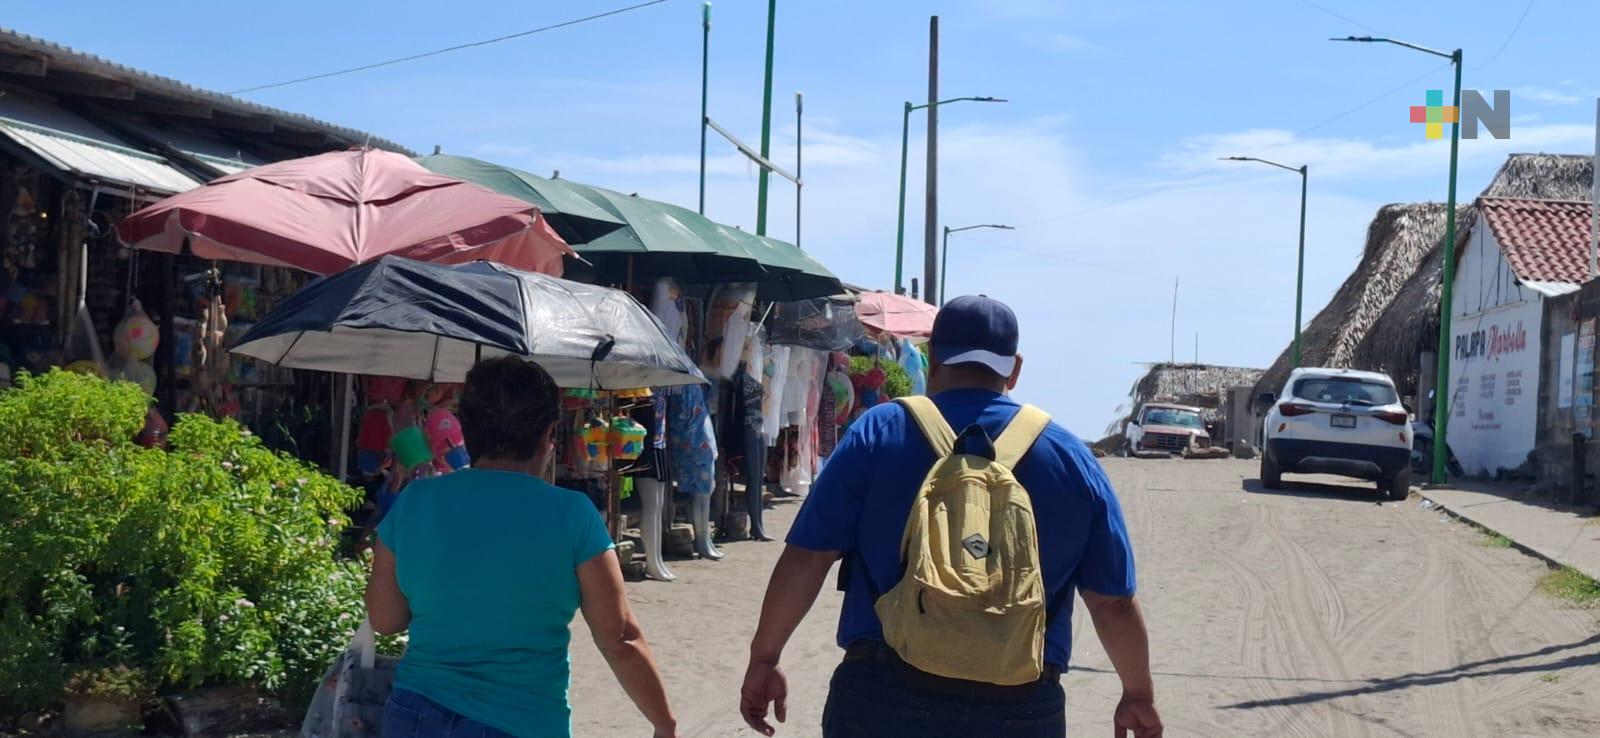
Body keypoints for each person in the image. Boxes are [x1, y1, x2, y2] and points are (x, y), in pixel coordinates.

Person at [739, 295, 1162, 738]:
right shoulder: (1071, 457)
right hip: (1019, 706)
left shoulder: (878, 432)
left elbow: (808, 557)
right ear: (1014, 369)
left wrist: (765, 658)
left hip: (882, 695)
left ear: (934, 357)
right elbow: (1112, 603)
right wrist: (1138, 694)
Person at [365, 356, 679, 738]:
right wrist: (664, 723)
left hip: (415, 715)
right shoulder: (572, 515)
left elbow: (385, 619)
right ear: (549, 435)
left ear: (466, 427)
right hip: (520, 720)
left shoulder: (416, 500)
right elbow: (619, 637)